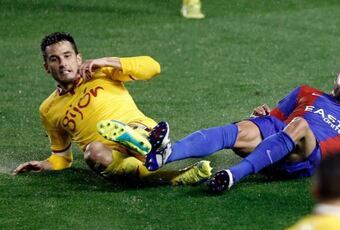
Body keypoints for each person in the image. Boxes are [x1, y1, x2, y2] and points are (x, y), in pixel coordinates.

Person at [124, 53, 340, 193]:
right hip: (275, 142)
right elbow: (274, 120)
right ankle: (165, 155)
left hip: (303, 157)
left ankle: (234, 176)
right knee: (243, 129)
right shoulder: (305, 92)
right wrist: (261, 116)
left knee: (300, 124)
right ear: (336, 76)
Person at [12, 32, 212, 186]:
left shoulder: (101, 72)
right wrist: (44, 164)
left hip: (137, 126)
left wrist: (106, 61)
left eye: (67, 56)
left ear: (78, 58)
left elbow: (153, 67)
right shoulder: (48, 109)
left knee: (135, 130)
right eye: (54, 59)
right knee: (93, 153)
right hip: (111, 154)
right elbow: (62, 158)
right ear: (46, 67)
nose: (63, 64)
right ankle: (170, 174)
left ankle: (140, 143)